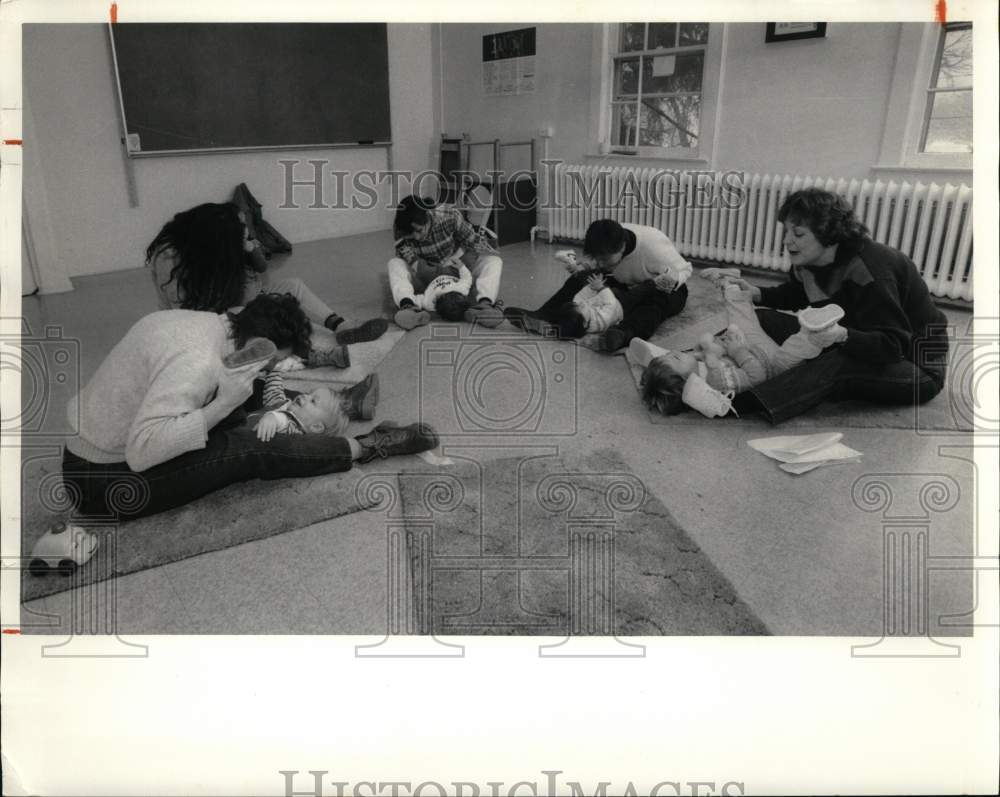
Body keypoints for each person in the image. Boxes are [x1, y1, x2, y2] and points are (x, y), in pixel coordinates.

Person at [39, 293, 438, 568]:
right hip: (103, 483)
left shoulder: (199, 323)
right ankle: (367, 446)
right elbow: (143, 452)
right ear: (261, 342)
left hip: (97, 450)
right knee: (247, 446)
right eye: (273, 360)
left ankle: (343, 404)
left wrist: (231, 397)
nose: (271, 367)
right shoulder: (196, 360)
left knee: (255, 388)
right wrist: (223, 405)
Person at [722, 188, 950, 423]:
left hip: (915, 365)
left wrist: (841, 336)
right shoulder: (808, 259)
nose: (787, 240)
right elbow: (798, 293)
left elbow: (892, 347)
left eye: (798, 234)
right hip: (852, 338)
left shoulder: (873, 271)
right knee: (761, 319)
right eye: (787, 231)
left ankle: (734, 403)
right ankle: (704, 364)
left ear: (828, 234)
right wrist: (757, 293)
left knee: (839, 362)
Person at [147, 202, 388, 346]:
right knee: (268, 323)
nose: (246, 231)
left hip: (230, 306)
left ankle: (342, 327)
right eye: (240, 228)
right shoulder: (170, 259)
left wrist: (249, 252)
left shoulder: (223, 249)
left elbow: (260, 276)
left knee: (292, 286)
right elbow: (189, 319)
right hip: (201, 325)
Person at [631, 281, 848, 417]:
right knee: (792, 351)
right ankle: (820, 334)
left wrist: (708, 347)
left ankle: (734, 292)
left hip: (751, 349)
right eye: (676, 358)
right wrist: (736, 350)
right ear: (687, 381)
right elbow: (756, 375)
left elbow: (709, 352)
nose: (676, 352)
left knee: (742, 324)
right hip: (771, 366)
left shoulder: (699, 365)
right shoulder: (715, 379)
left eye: (671, 353)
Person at [388, 195, 504, 329]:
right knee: (394, 264)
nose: (417, 237)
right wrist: (422, 268)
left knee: (494, 261)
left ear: (427, 216)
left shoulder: (450, 214)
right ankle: (408, 306)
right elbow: (406, 255)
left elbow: (472, 243)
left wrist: (458, 262)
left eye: (419, 231)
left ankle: (484, 305)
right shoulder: (400, 228)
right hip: (425, 277)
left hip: (456, 270)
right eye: (411, 235)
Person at [250, 371, 380, 441]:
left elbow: (283, 423)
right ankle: (353, 403)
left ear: (316, 426)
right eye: (308, 393)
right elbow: (274, 392)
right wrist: (273, 369)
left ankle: (353, 402)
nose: (304, 396)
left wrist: (272, 418)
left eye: (313, 401)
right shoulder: (285, 404)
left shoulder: (294, 431)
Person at [393, 250, 475, 328]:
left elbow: (417, 299)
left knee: (421, 268)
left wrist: (412, 304)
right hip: (450, 273)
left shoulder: (429, 303)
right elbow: (466, 278)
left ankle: (412, 315)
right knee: (470, 257)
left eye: (438, 296)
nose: (442, 292)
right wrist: (461, 267)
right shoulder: (462, 289)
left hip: (430, 279)